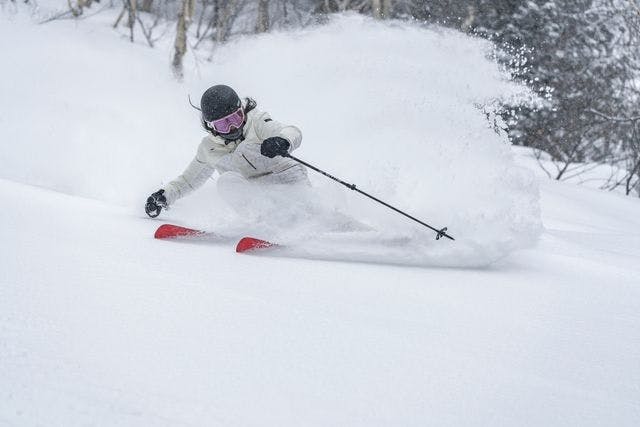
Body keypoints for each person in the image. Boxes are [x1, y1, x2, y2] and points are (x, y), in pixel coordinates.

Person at [145, 85, 308, 218]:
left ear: (242, 112)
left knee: (245, 148)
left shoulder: (257, 122)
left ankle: (312, 212)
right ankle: (265, 221)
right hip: (261, 195)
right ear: (211, 126)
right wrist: (165, 195)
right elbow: (189, 180)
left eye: (235, 119)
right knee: (226, 181)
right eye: (223, 125)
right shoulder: (209, 148)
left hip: (287, 179)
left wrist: (282, 140)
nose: (232, 127)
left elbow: (292, 131)